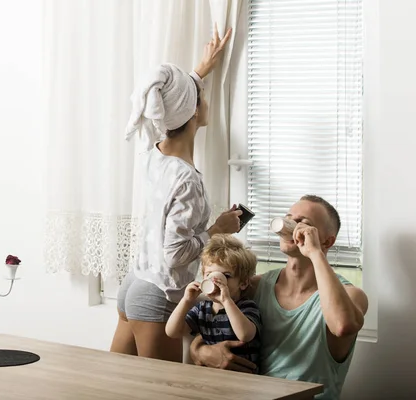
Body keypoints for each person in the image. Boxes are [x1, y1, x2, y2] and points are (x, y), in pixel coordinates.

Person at [109, 24, 238, 362]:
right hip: (157, 297)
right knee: (162, 394)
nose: (205, 101)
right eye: (201, 98)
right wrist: (218, 229)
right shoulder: (187, 180)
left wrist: (198, 72)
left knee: (114, 388)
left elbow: (172, 105)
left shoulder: (153, 153)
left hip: (134, 285)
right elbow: (177, 253)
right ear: (193, 110)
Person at [189, 195, 369, 400]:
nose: (291, 225)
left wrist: (315, 253)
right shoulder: (255, 287)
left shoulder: (350, 295)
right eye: (289, 218)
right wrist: (200, 351)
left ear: (328, 241)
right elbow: (208, 328)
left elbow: (341, 326)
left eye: (304, 223)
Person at [165, 234, 261, 371]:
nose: (215, 280)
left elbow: (245, 335)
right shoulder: (202, 309)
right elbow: (172, 332)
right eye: (209, 274)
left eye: (226, 276)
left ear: (243, 283)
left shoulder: (246, 307)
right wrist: (186, 301)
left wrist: (226, 300)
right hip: (210, 375)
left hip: (243, 377)